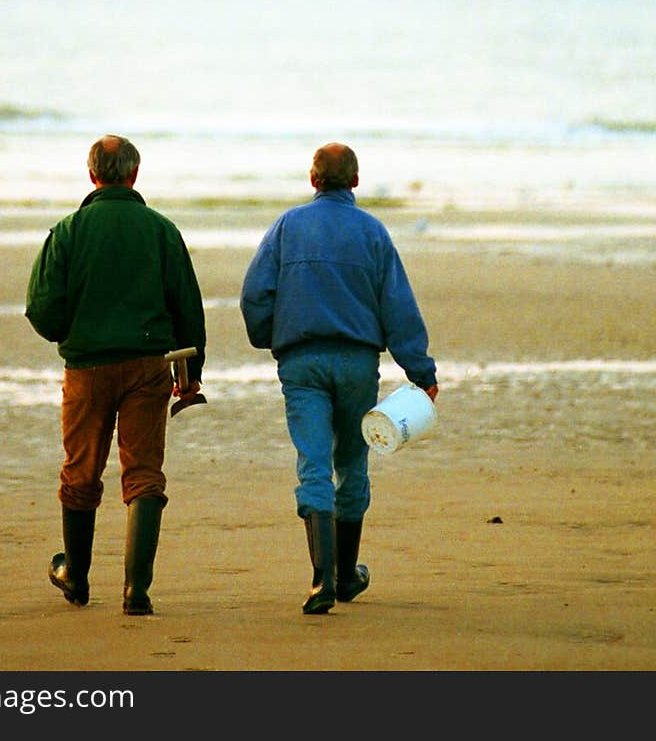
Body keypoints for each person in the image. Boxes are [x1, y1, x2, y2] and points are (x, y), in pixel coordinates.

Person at [240, 141, 438, 615]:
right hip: (355, 363)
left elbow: (254, 295)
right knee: (353, 463)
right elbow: (399, 308)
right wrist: (421, 373)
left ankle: (320, 580)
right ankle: (346, 575)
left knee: (313, 464)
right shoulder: (372, 232)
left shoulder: (287, 227)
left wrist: (273, 337)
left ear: (313, 181)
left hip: (302, 362)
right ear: (354, 181)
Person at [25, 134, 206, 616]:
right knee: (144, 472)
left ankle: (77, 578)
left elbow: (39, 308)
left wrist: (74, 331)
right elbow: (188, 306)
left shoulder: (68, 231)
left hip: (86, 367)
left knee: (81, 470)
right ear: (134, 174)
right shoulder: (161, 229)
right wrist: (192, 372)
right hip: (149, 365)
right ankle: (135, 589)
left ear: (92, 175)